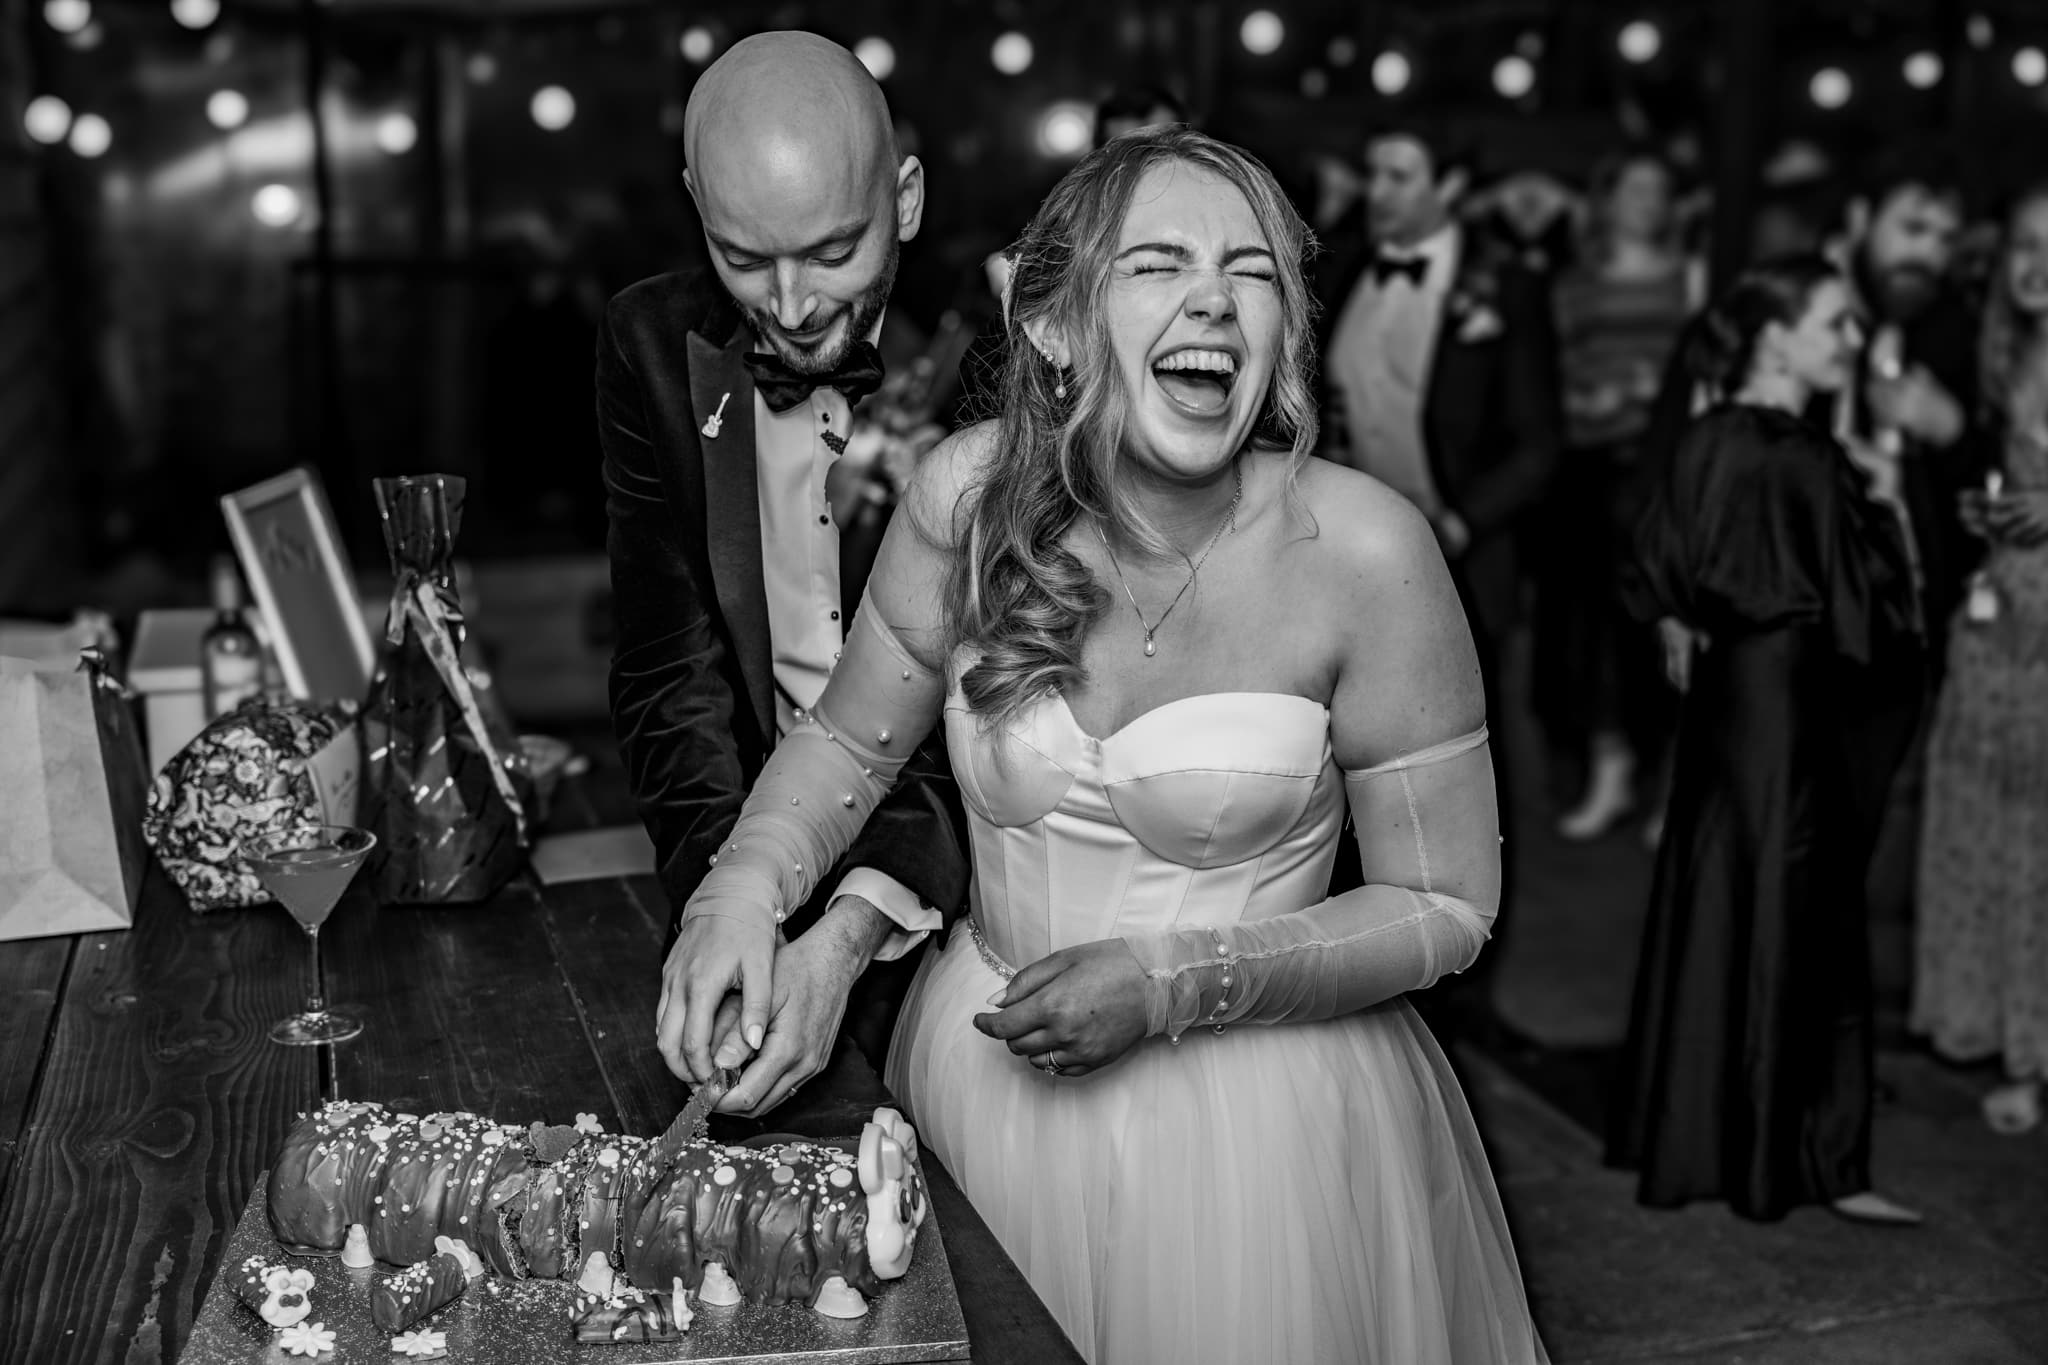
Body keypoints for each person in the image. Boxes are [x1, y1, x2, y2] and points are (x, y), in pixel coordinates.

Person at [663, 126, 1547, 1364]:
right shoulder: (964, 499)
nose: (1213, 300)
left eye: (1250, 274)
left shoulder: (1366, 551)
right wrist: (738, 893)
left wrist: (1175, 982)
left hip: (1262, 1147)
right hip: (982, 1084)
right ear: (1054, 324)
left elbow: (1443, 904)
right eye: (1158, 265)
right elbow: (848, 746)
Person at [600, 31, 970, 1113]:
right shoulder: (648, 342)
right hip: (748, 848)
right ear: (695, 204)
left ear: (904, 199)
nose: (795, 305)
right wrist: (731, 911)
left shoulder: (1003, 357)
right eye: (746, 259)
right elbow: (670, 671)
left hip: (954, 892)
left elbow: (996, 712)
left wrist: (847, 932)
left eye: (833, 251)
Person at [1608, 257, 1924, 1225]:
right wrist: (1890, 501)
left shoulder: (1706, 435)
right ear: (1776, 339)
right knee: (1801, 905)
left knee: (1720, 890)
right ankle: (1805, 1158)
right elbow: (1872, 615)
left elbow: (1651, 560)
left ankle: (1704, 1138)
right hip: (1793, 698)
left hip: (1727, 701)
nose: (1852, 341)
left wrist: (1677, 618)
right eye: (1835, 322)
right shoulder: (1806, 456)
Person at [1317, 120, 1559, 945]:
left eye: (1401, 175)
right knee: (1339, 766)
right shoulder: (1342, 269)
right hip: (1338, 562)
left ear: (1450, 187)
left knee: (1457, 778)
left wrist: (1460, 522)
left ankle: (1466, 968)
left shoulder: (1503, 286)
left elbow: (1539, 444)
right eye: (1373, 172)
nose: (1378, 192)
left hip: (1458, 562)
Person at [1912, 184, 2048, 1137]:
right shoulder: (2011, 355)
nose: (2036, 265)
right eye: (2025, 245)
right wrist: (1990, 513)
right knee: (1991, 826)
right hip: (2002, 612)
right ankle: (2015, 1040)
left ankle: (2034, 1054)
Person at [1536, 151, 1697, 840]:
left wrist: (1660, 397)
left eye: (1659, 190)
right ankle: (1613, 767)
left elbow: (1707, 367)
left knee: (1667, 623)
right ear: (1607, 199)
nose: (1648, 201)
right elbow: (1553, 377)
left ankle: (1672, 786)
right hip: (1594, 466)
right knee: (1597, 627)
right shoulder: (1576, 283)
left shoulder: (1691, 279)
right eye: (1636, 188)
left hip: (1669, 471)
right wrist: (1594, 399)